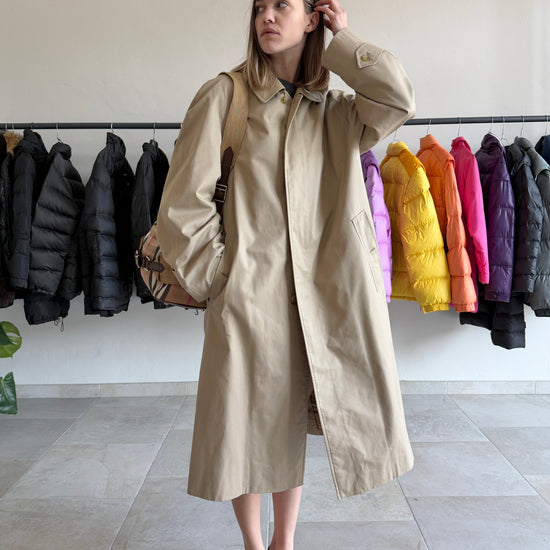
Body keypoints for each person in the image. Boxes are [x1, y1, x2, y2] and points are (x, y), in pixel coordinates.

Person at [156, 1, 416, 549]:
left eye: (283, 6)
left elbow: (398, 99)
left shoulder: (338, 111)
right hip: (248, 295)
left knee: (286, 423)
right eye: (260, 8)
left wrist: (345, 40)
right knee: (245, 425)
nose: (267, 18)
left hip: (320, 297)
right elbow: (182, 206)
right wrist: (220, 276)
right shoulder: (224, 96)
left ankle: (285, 542)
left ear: (312, 18)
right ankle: (255, 543)